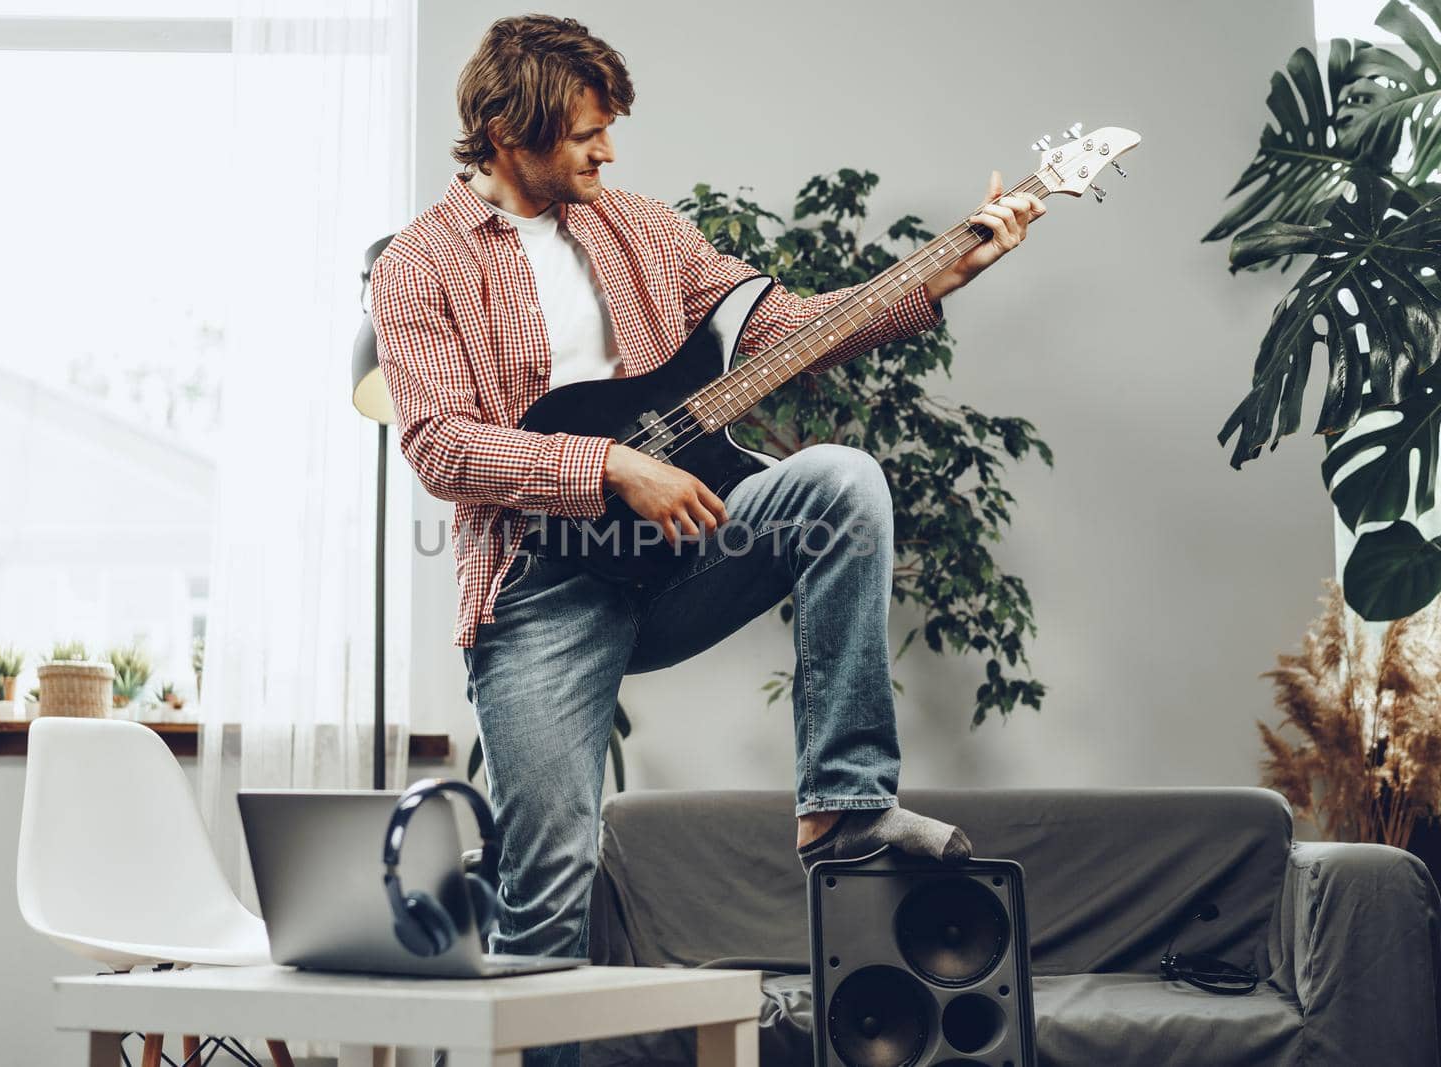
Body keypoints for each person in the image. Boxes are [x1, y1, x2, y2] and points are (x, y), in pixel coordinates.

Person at [370, 14, 1043, 1065]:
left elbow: (783, 326)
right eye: (584, 133)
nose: (607, 151)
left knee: (840, 481)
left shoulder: (642, 226)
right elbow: (442, 447)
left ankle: (841, 803)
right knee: (545, 889)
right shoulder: (418, 267)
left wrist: (939, 277)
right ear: (503, 127)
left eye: (610, 129)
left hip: (686, 551)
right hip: (542, 586)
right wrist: (609, 468)